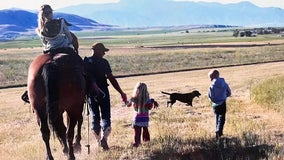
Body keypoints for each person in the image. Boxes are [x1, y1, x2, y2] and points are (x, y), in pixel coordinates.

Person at [84, 42, 127, 150]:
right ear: (97, 51)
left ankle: (99, 142)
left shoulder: (86, 62)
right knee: (106, 116)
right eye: (103, 51)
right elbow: (111, 79)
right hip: (103, 92)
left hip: (91, 93)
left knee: (95, 117)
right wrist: (121, 92)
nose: (104, 53)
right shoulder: (104, 62)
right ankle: (104, 139)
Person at [127, 82, 158, 147]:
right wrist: (152, 102)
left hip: (137, 117)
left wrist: (127, 100)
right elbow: (149, 107)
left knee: (137, 131)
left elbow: (128, 105)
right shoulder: (147, 99)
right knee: (145, 130)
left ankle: (137, 143)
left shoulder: (134, 98)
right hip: (145, 117)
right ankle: (146, 141)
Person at [208, 69, 231, 139]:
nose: (210, 80)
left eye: (210, 78)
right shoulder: (225, 84)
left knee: (217, 117)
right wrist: (224, 96)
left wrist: (213, 100)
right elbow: (229, 93)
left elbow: (211, 96)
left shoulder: (211, 86)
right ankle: (219, 131)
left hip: (215, 104)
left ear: (212, 77)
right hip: (223, 103)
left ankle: (217, 131)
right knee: (222, 118)